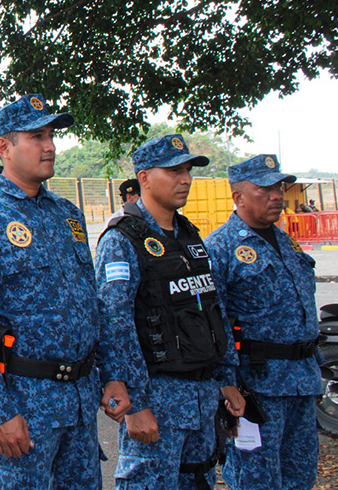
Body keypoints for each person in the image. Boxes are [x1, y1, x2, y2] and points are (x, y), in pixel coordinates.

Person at [0, 94, 119, 490]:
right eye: (37, 136)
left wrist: (112, 375)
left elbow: (92, 305)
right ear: (4, 147)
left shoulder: (66, 214)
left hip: (78, 402)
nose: (51, 145)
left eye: (51, 135)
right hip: (21, 409)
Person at [96, 134, 245, 490]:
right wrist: (135, 405)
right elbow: (114, 323)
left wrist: (226, 378)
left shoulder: (189, 236)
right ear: (144, 177)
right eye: (174, 170)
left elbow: (212, 309)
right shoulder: (122, 239)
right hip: (157, 401)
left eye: (188, 170)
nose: (186, 179)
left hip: (202, 397)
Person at [205, 154, 322, 490]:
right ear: (238, 197)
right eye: (265, 189)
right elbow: (215, 323)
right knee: (256, 480)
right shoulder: (221, 248)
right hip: (256, 390)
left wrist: (314, 368)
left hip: (301, 383)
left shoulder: (286, 241)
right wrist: (227, 384)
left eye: (279, 188)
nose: (276, 196)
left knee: (299, 477)